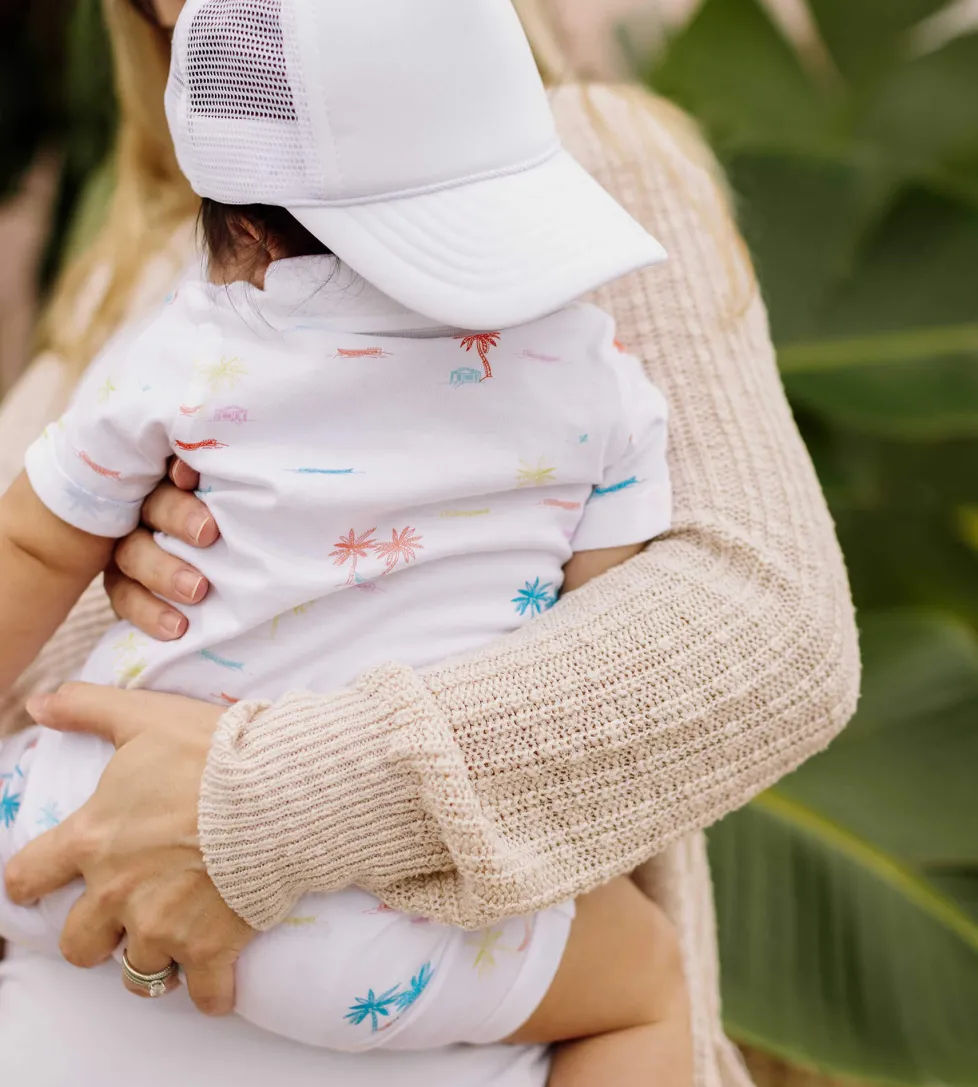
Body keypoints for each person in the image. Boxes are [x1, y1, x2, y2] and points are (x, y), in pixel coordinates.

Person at [0, 0, 860, 1084]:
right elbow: (596, 577)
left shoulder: (588, 156)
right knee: (642, 983)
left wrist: (263, 806)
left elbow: (765, 624)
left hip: (86, 847)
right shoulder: (121, 262)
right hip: (352, 957)